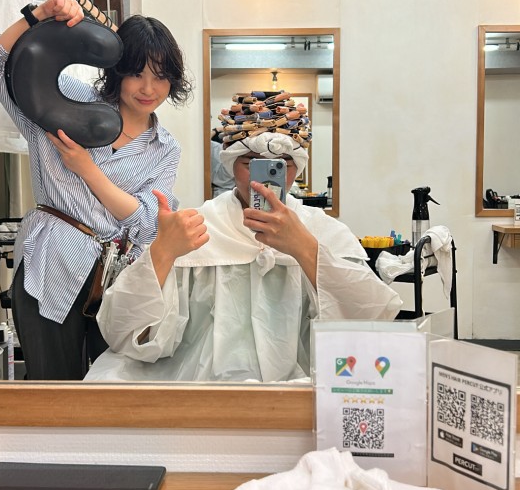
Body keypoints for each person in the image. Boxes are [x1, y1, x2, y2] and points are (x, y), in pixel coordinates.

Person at [85, 89, 402, 383]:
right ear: (231, 164)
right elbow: (124, 332)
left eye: (281, 165)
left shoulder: (321, 230)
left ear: (298, 168)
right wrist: (162, 254)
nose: (263, 181)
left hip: (298, 387)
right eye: (251, 164)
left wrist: (306, 249)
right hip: (202, 384)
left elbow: (371, 319)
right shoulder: (201, 226)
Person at [0, 0, 192, 380]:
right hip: (48, 267)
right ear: (116, 71)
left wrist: (86, 169)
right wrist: (40, 14)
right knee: (51, 386)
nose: (148, 88)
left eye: (160, 77)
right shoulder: (66, 99)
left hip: (116, 281)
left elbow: (147, 223)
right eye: (137, 73)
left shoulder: (165, 148)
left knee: (114, 386)